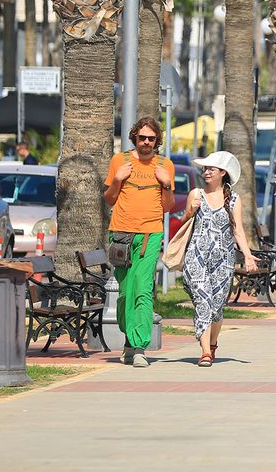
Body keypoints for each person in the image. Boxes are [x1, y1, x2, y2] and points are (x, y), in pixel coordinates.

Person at [103, 117, 175, 368]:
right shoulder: (119, 161)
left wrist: (166, 184)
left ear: (157, 141)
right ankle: (128, 341)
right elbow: (109, 200)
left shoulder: (165, 165)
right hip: (121, 234)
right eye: (142, 137)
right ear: (135, 137)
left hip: (150, 235)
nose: (146, 142)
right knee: (125, 293)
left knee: (143, 289)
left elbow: (168, 207)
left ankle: (139, 347)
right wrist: (117, 180)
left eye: (151, 139)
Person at [178, 152, 257, 367]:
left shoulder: (233, 200)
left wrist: (248, 256)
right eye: (205, 169)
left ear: (223, 173)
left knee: (216, 307)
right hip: (197, 257)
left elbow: (238, 230)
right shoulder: (196, 194)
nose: (207, 172)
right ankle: (204, 352)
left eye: (211, 169)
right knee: (203, 302)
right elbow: (183, 221)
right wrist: (190, 211)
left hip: (223, 259)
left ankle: (212, 344)